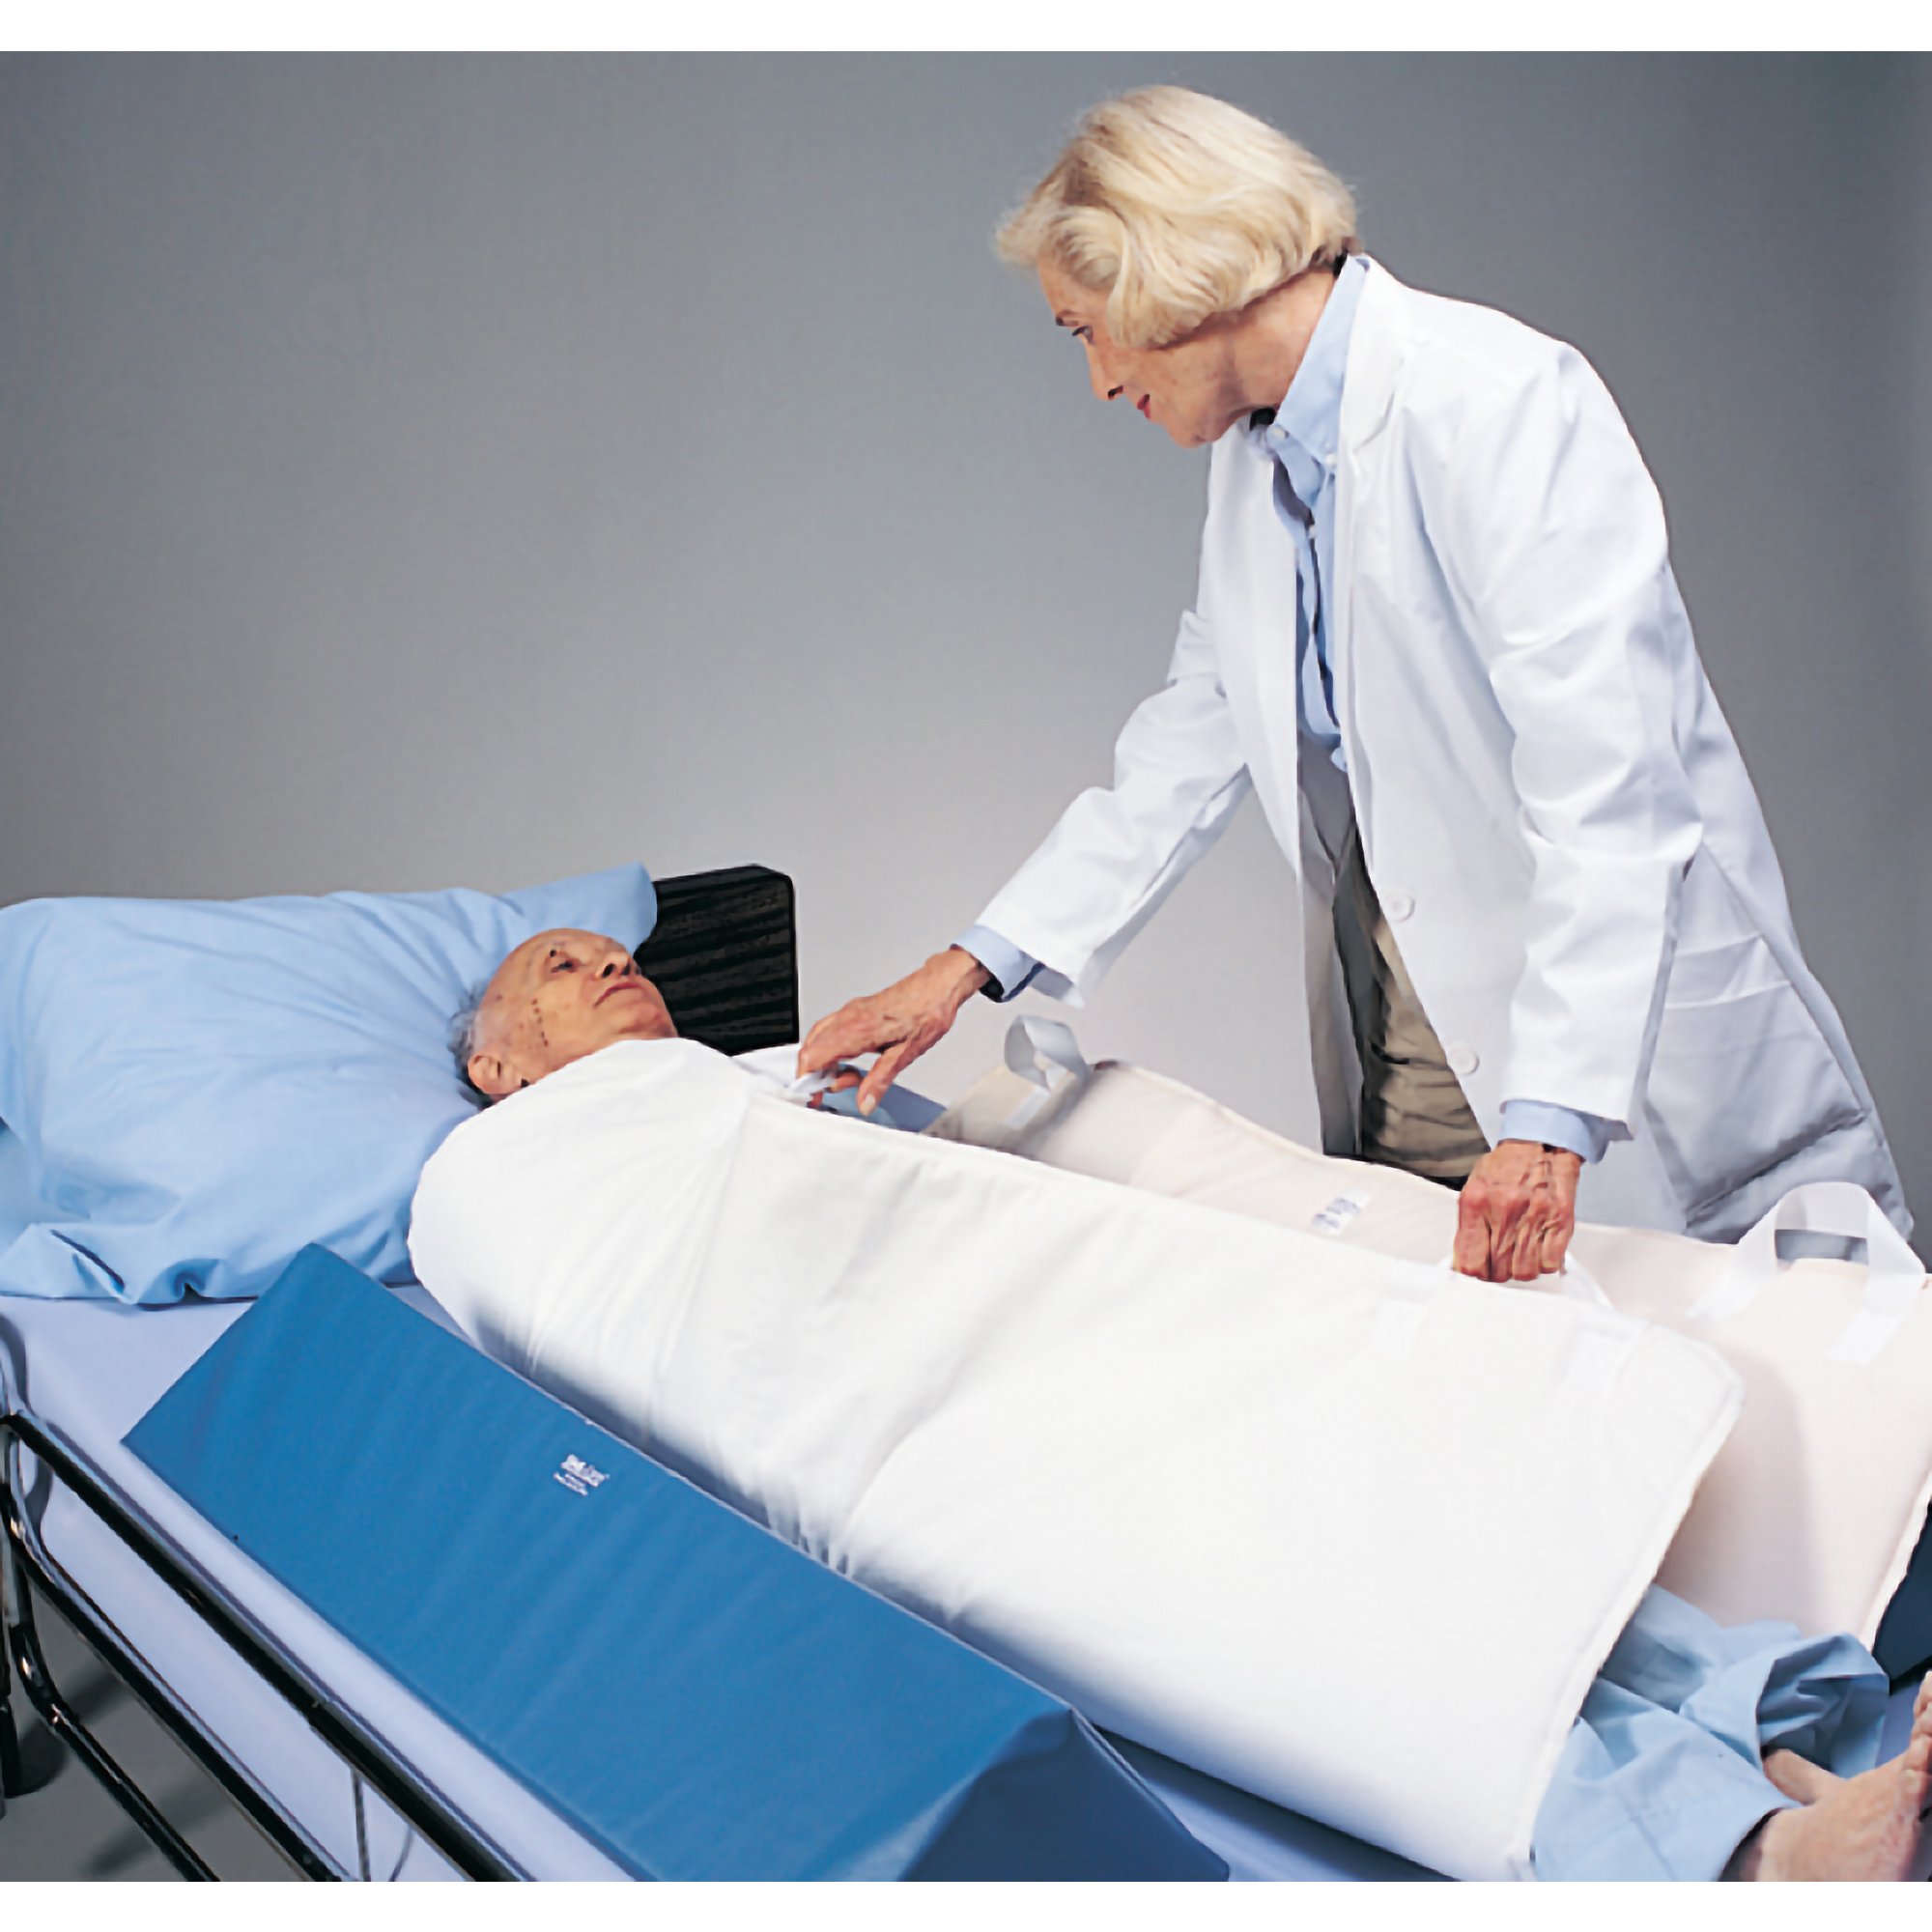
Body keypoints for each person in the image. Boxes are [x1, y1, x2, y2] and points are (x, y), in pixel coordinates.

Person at [432, 929, 1931, 1882]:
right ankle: (1746, 1853)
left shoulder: (772, 1083)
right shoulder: (489, 1180)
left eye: (613, 951)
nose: (608, 960)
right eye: (559, 968)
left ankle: (1786, 1730)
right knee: (1282, 1576)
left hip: (1035, 1323)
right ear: (498, 1064)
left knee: (1393, 1466)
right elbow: (641, 1308)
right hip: (901, 1419)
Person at [797, 84, 1910, 1287]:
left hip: (1602, 1068)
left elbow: (1612, 790)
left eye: (1083, 330)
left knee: (1756, 1379)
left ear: (1166, 277)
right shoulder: (1257, 459)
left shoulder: (1494, 401)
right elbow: (1190, 738)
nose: (1098, 381)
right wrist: (961, 969)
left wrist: (1549, 1122)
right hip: (1411, 1053)